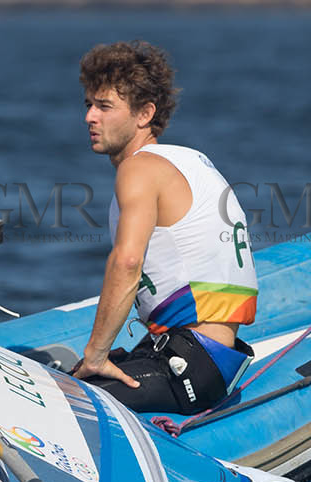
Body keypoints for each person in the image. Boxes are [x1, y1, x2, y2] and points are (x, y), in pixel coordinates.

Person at [70, 41, 258, 415]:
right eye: (89, 105)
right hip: (202, 353)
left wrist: (96, 355)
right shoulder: (189, 159)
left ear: (144, 114)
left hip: (193, 363)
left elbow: (126, 263)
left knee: (65, 401)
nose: (90, 117)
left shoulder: (138, 169)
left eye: (105, 107)